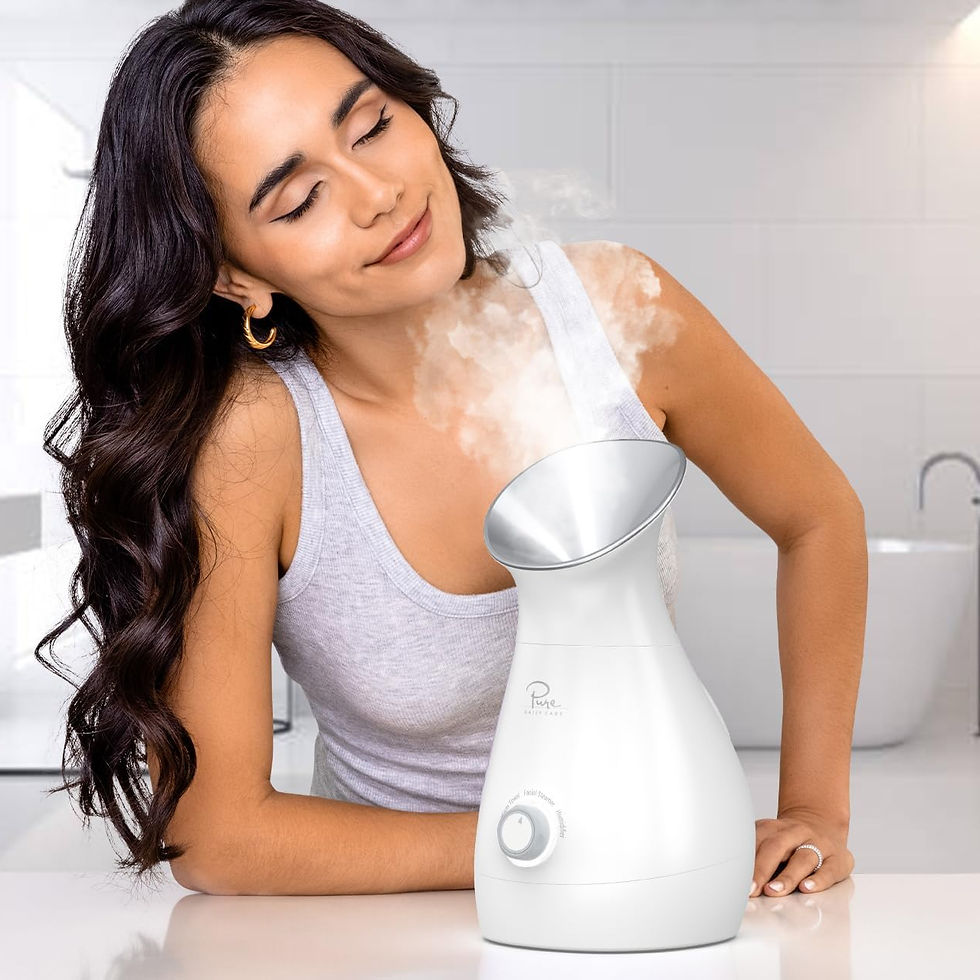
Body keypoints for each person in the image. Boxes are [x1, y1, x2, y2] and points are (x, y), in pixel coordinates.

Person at [36, 0, 864, 900]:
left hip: (664, 876)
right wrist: (564, 842)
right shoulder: (254, 441)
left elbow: (819, 517)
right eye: (301, 198)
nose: (377, 194)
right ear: (236, 273)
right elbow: (215, 836)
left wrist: (816, 810)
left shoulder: (620, 314)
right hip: (396, 915)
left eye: (372, 126)